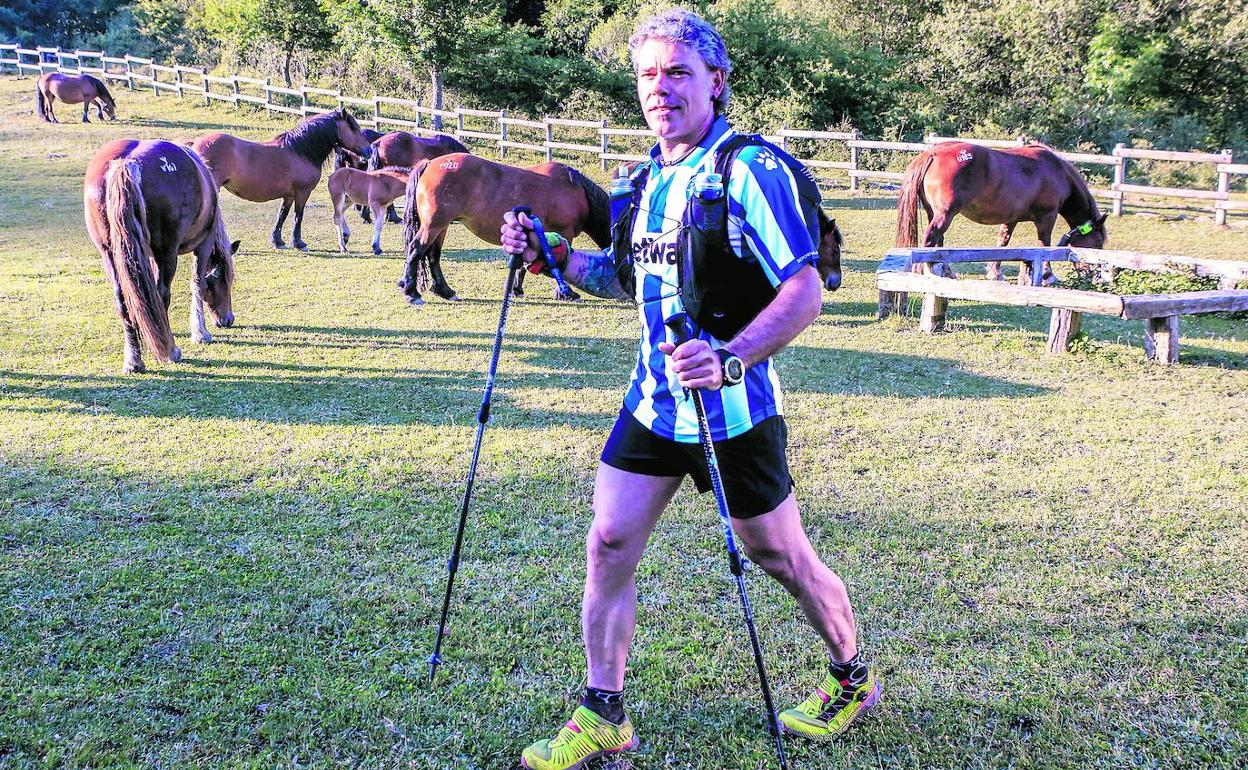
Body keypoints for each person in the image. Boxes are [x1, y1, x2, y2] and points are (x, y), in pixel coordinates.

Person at [500, 9, 879, 769]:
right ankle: (603, 712)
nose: (660, 88)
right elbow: (621, 278)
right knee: (609, 542)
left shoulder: (750, 171)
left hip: (733, 409)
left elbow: (804, 291)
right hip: (653, 403)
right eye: (648, 74)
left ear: (716, 81)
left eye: (678, 72)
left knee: (779, 555)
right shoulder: (643, 179)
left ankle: (851, 679)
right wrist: (554, 258)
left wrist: (730, 357)